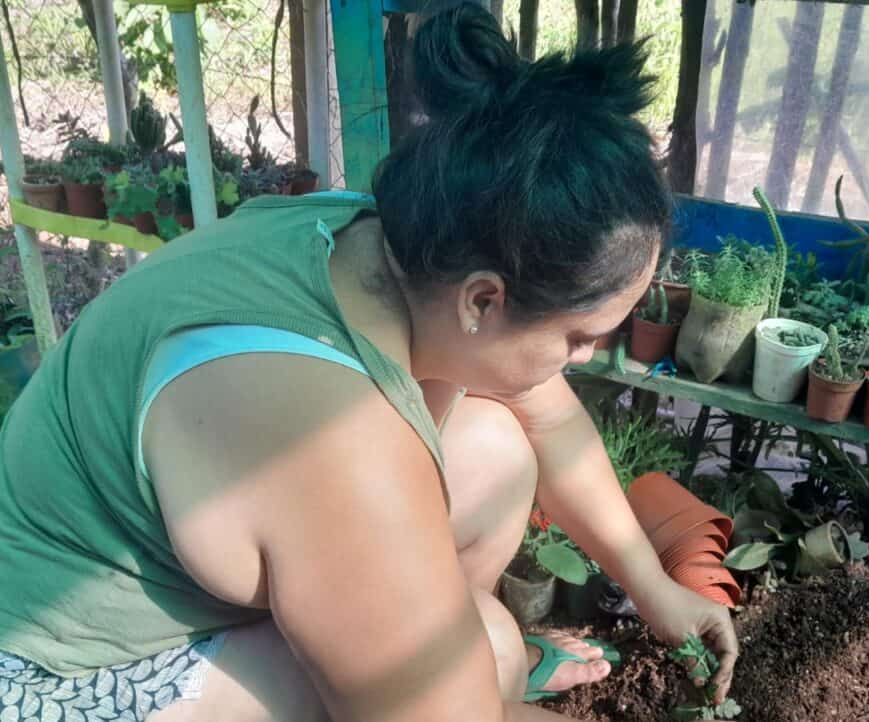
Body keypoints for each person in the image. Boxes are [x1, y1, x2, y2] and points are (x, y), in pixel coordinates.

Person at [0, 4, 737, 720]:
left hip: (184, 563)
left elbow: (547, 415)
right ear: (483, 301)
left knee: (497, 463)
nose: (583, 360)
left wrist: (650, 584)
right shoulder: (326, 437)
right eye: (580, 338)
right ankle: (407, 665)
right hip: (63, 673)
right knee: (478, 661)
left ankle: (417, 653)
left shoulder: (378, 239)